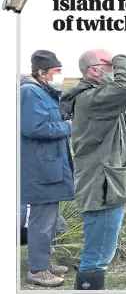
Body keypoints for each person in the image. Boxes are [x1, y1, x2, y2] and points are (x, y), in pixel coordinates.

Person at [60, 51, 126, 290]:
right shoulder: (92, 98)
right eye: (110, 65)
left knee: (99, 253)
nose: (114, 70)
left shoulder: (94, 97)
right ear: (95, 70)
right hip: (102, 187)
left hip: (104, 183)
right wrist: (122, 58)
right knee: (97, 257)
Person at [21, 50, 73, 287]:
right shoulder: (30, 92)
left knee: (50, 220)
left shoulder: (44, 92)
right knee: (42, 221)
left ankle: (44, 262)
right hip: (39, 169)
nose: (60, 75)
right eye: (56, 71)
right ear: (42, 73)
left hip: (49, 167)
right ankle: (37, 270)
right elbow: (35, 128)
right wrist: (68, 126)